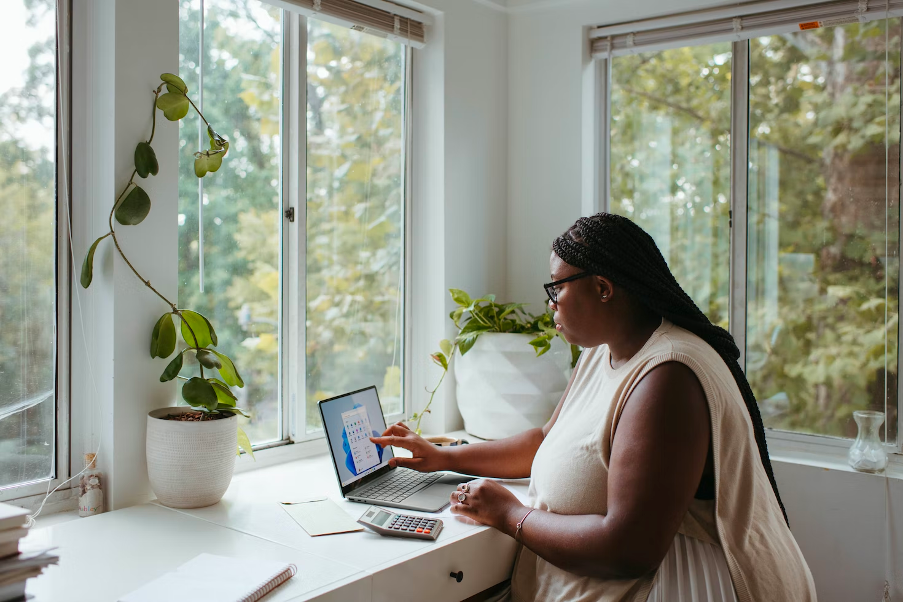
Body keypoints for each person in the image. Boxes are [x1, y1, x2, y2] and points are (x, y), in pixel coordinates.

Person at [371, 213, 816, 602]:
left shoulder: (668, 377)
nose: (550, 304)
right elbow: (546, 440)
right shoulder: (603, 352)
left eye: (556, 288)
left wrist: (510, 514)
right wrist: (444, 456)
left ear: (602, 288)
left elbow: (627, 549)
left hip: (681, 585)